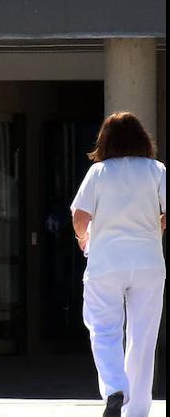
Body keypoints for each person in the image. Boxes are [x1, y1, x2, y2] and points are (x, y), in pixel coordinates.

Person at [70, 112, 166, 417]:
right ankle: (136, 411)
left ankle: (114, 389)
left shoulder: (99, 173)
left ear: (105, 140)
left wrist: (83, 238)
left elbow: (80, 217)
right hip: (148, 262)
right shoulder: (156, 170)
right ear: (142, 139)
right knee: (143, 337)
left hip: (106, 262)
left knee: (103, 329)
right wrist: (158, 225)